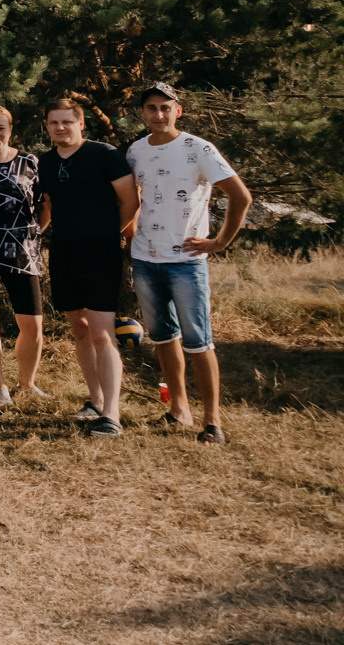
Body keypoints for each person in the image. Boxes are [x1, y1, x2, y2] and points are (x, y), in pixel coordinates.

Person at [127, 82, 253, 444]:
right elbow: (134, 194)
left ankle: (212, 421)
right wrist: (131, 229)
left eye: (166, 107)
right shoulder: (136, 151)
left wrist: (219, 242)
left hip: (186, 260)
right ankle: (178, 409)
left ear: (178, 110)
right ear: (143, 113)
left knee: (199, 341)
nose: (159, 114)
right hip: (145, 258)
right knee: (164, 338)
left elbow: (240, 196)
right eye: (151, 108)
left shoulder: (198, 148)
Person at [36, 98, 141, 437]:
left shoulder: (105, 154)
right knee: (79, 329)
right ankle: (95, 400)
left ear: (81, 124)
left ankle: (112, 414)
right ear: (48, 127)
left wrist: (112, 233)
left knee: (101, 333)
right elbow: (48, 204)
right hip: (64, 253)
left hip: (101, 253)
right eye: (54, 123)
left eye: (67, 122)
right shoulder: (46, 162)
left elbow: (131, 200)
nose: (60, 128)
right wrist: (36, 233)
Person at [0, 106, 47, 398]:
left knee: (32, 324)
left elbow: (44, 206)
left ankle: (27, 385)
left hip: (23, 250)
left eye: (1, 128)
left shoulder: (30, 161)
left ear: (11, 129)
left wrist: (32, 234)